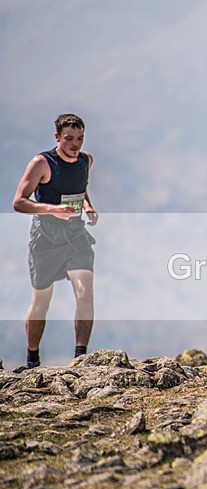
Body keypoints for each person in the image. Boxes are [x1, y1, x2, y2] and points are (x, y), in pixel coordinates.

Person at [12, 114, 99, 369]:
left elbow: (81, 188)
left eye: (80, 138)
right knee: (41, 302)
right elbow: (19, 202)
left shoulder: (86, 160)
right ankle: (32, 357)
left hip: (75, 236)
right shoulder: (42, 163)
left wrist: (89, 207)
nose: (75, 144)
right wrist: (53, 209)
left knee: (85, 291)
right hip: (45, 239)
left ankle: (81, 358)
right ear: (57, 137)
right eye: (69, 138)